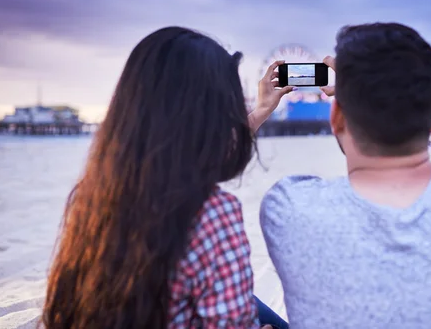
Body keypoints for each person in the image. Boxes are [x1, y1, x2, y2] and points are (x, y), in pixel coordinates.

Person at [260, 23, 431, 328]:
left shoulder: (290, 209)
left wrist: (258, 113)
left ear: (336, 118)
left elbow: (199, 168)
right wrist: (389, 87)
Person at [42, 27, 290, 329]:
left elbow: (200, 157)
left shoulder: (92, 198)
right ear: (210, 118)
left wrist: (262, 109)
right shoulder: (212, 214)